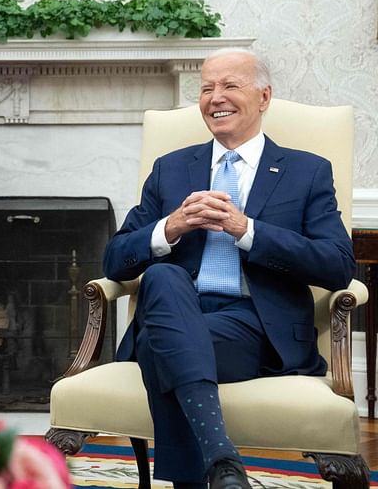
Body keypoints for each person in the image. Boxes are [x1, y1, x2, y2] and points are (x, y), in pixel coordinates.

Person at [104, 48, 354, 489]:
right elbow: (115, 258)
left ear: (264, 96)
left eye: (229, 85)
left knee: (162, 348)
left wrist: (248, 231)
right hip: (175, 311)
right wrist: (171, 227)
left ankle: (207, 470)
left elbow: (337, 265)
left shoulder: (306, 172)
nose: (215, 97)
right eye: (205, 88)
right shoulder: (172, 169)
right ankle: (222, 462)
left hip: (256, 328)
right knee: (162, 277)